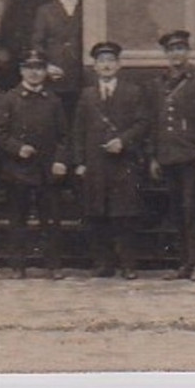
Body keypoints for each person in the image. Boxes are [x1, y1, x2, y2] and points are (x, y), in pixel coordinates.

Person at [68, 41, 151, 279]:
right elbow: (78, 130)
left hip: (123, 161)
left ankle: (128, 264)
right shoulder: (87, 94)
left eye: (110, 61)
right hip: (95, 163)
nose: (106, 66)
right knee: (97, 214)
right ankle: (104, 263)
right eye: (101, 62)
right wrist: (80, 162)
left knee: (124, 215)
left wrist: (123, 141)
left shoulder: (133, 92)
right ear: (95, 67)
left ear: (119, 65)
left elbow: (143, 123)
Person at [0, 49, 69, 279]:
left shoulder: (52, 100)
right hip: (17, 168)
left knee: (50, 219)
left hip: (47, 169)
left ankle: (53, 266)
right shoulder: (9, 99)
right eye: (29, 68)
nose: (34, 73)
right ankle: (17, 266)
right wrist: (17, 148)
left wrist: (60, 161)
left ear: (45, 72)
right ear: (22, 71)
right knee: (18, 218)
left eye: (39, 69)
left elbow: (64, 136)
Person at [149, 30, 195, 281]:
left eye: (180, 49)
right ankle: (184, 263)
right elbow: (156, 122)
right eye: (171, 50)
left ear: (187, 52)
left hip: (192, 154)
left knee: (194, 209)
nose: (176, 54)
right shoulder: (160, 82)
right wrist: (155, 156)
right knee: (177, 211)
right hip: (168, 155)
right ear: (166, 54)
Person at [32, 0, 85, 118]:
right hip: (55, 72)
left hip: (81, 70)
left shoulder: (86, 8)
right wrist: (46, 66)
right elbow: (37, 42)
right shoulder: (45, 10)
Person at [0, 0, 54, 89]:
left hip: (40, 56)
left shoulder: (51, 2)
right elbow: (4, 27)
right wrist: (2, 49)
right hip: (14, 55)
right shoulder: (14, 1)